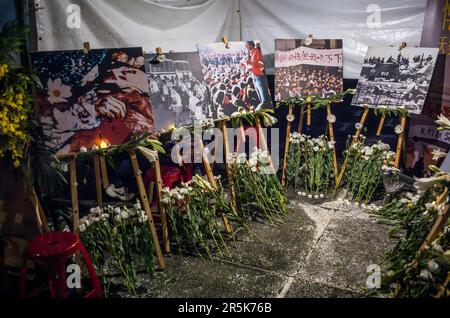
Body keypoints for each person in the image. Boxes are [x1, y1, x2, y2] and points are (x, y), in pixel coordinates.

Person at [243, 41, 268, 110]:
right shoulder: (251, 53)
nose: (246, 47)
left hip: (259, 76)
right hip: (254, 76)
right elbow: (254, 65)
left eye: (247, 45)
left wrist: (251, 62)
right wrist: (248, 65)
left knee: (264, 99)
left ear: (251, 45)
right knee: (260, 97)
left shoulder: (257, 51)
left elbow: (262, 64)